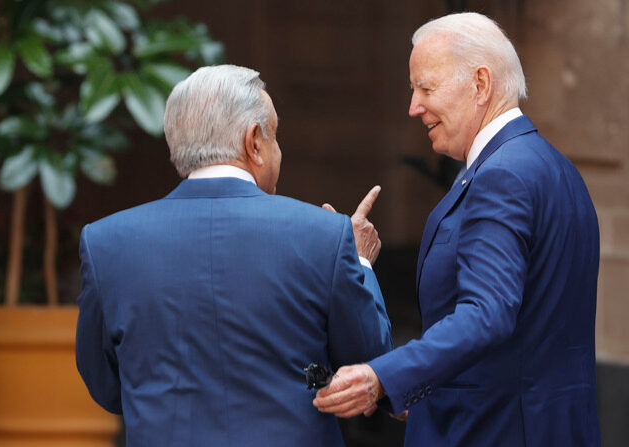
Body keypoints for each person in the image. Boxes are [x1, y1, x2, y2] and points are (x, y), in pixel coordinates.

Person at [313, 12, 601, 447]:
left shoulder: (502, 175)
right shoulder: (553, 167)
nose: (414, 107)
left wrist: (381, 377)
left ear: (481, 84)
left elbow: (487, 314)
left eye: (425, 88)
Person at [75, 65, 392, 446]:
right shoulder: (323, 234)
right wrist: (359, 262)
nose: (279, 151)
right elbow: (370, 364)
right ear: (254, 141)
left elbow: (105, 384)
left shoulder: (106, 242)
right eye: (275, 136)